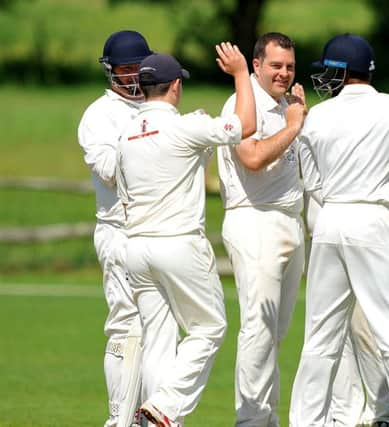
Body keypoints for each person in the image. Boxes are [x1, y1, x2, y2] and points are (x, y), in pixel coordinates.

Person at [290, 33, 389, 427]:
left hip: (331, 219)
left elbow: (311, 182)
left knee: (320, 336)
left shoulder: (317, 116)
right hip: (375, 220)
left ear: (341, 73)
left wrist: (340, 200)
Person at [115, 46, 256, 427]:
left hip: (136, 246)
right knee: (209, 327)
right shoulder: (183, 126)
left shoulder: (125, 134)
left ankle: (159, 419)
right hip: (177, 242)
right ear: (175, 85)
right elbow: (245, 126)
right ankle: (166, 406)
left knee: (159, 338)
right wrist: (242, 74)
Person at [216, 32, 307, 426]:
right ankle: (250, 420)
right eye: (275, 65)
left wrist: (296, 118)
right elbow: (251, 157)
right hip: (253, 218)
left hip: (289, 219)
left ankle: (266, 416)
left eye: (288, 66)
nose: (283, 73)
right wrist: (294, 126)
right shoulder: (242, 102)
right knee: (258, 326)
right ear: (256, 65)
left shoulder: (287, 104)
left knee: (276, 331)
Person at [77, 29, 153, 427]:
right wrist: (153, 143)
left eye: (140, 67)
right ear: (111, 72)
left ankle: (151, 417)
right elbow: (108, 171)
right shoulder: (98, 115)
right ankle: (117, 420)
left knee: (158, 331)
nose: (135, 76)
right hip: (119, 231)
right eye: (127, 69)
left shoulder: (156, 105)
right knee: (126, 325)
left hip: (158, 232)